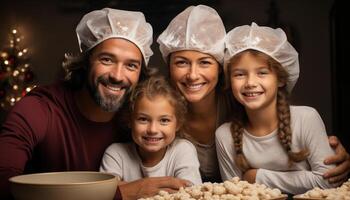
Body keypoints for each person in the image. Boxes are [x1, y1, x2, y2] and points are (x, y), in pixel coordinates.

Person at [0, 8, 188, 200]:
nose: (117, 75)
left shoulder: (141, 118)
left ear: (141, 73)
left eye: (131, 65)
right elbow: (3, 183)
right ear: (86, 60)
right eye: (106, 59)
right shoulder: (39, 109)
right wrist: (118, 193)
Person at [157, 5, 350, 184]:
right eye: (181, 62)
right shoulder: (156, 113)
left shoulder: (243, 102)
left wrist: (329, 153)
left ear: (220, 68)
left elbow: (287, 129)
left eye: (205, 62)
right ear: (169, 66)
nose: (192, 75)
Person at [215, 22, 340, 195]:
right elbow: (234, 194)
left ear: (280, 79)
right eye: (239, 74)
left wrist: (257, 177)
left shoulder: (306, 118)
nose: (250, 83)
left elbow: (328, 182)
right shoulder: (224, 135)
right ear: (230, 82)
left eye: (262, 72)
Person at [100, 76, 202, 186]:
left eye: (164, 120)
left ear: (178, 124)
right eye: (143, 119)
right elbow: (107, 193)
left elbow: (190, 193)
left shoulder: (183, 150)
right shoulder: (116, 154)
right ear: (130, 121)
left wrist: (126, 188)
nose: (153, 130)